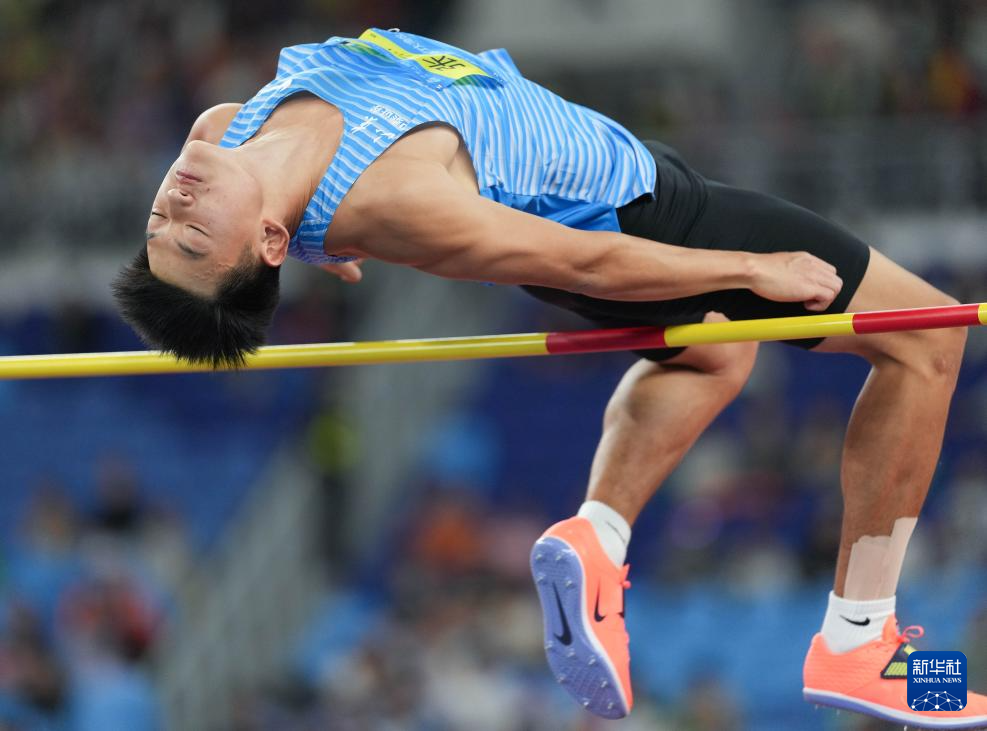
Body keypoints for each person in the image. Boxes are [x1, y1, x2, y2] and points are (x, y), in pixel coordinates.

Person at [113, 28, 985, 727]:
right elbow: (584, 261)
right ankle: (859, 638)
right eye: (193, 236)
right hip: (639, 221)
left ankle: (596, 538)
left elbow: (267, 225)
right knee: (927, 336)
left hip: (619, 171)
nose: (176, 204)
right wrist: (751, 267)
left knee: (715, 353)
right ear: (266, 241)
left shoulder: (221, 131)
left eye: (161, 221)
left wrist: (313, 236)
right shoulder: (398, 203)